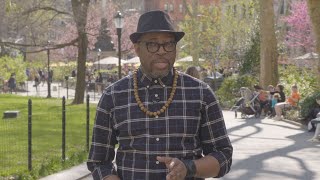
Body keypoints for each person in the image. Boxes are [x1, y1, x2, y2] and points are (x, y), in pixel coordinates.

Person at [87, 10, 233, 180]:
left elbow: (223, 156)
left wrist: (189, 167)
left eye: (169, 44)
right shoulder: (113, 96)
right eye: (153, 44)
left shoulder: (201, 94)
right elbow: (98, 161)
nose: (162, 51)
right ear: (137, 48)